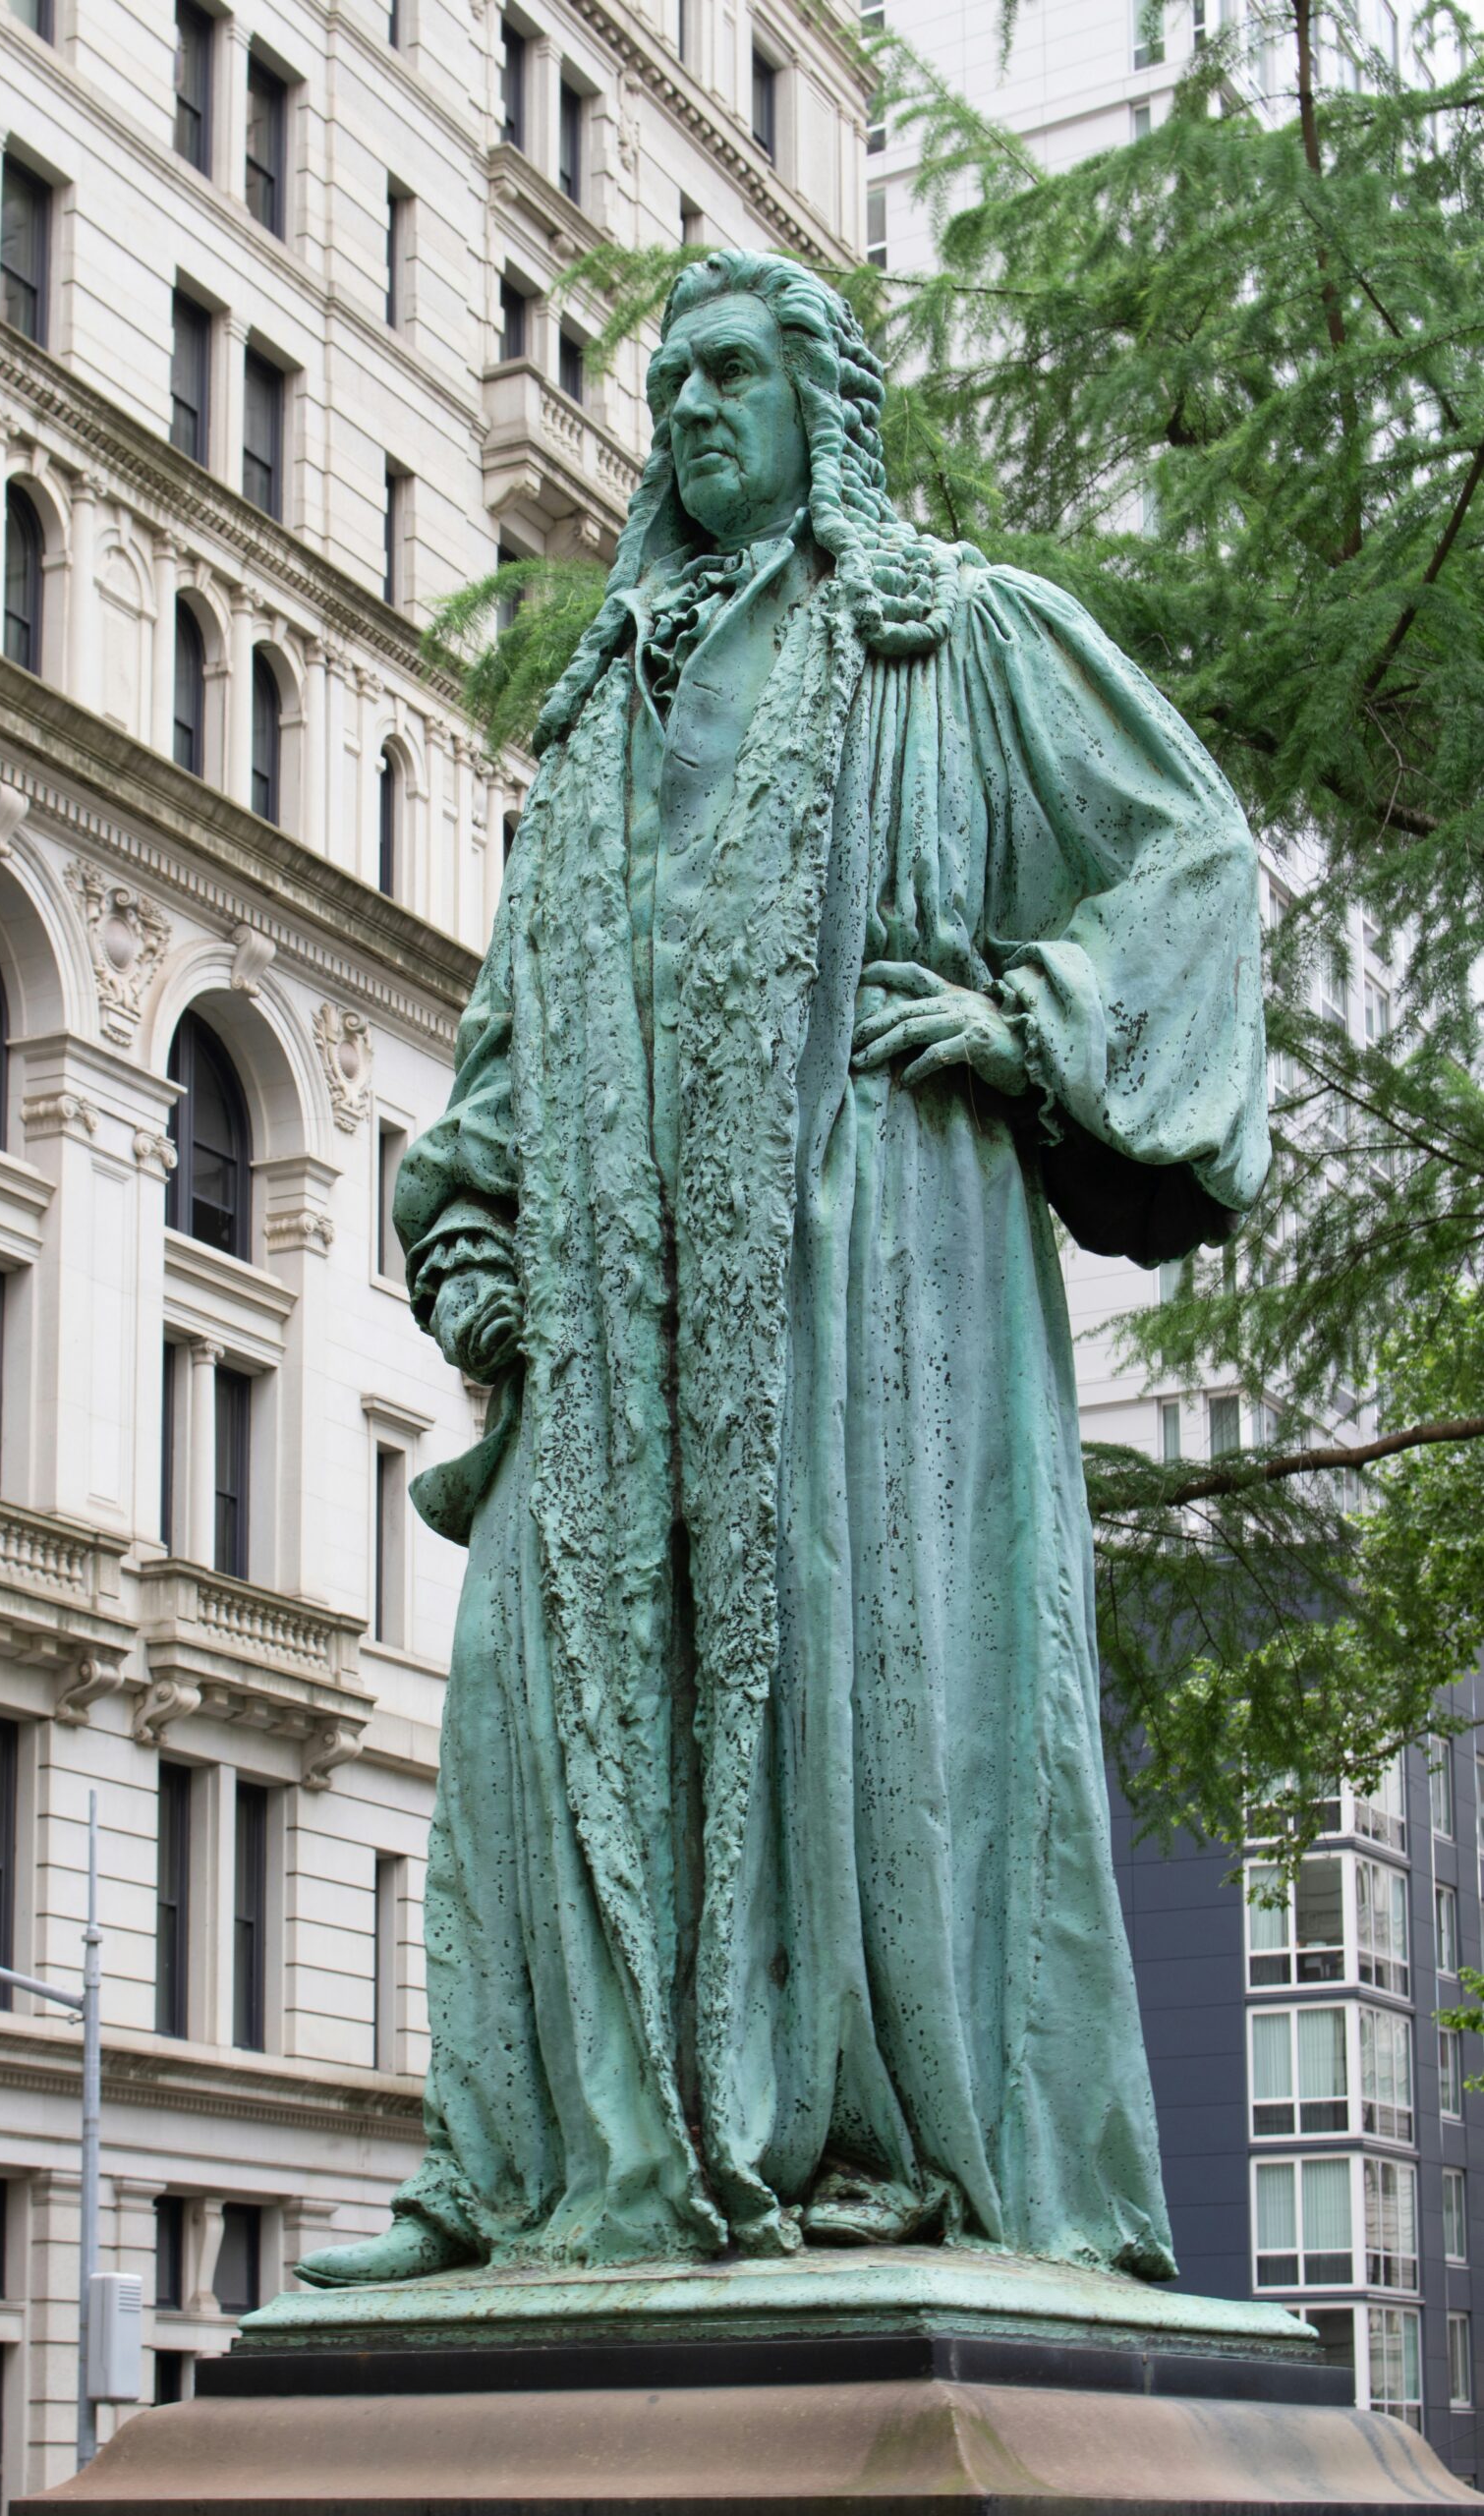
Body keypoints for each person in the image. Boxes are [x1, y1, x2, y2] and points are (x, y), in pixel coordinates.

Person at [298, 251, 1268, 2288]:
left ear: (823, 404)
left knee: (865, 1686)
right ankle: (526, 2165)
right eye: (662, 386)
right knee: (526, 1704)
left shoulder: (952, 633)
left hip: (869, 1259)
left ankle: (879, 2148)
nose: (684, 415)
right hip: (615, 1297)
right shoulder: (594, 710)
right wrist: (473, 1232)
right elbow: (511, 1031)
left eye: (728, 374)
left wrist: (1034, 1024)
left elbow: (1184, 852)